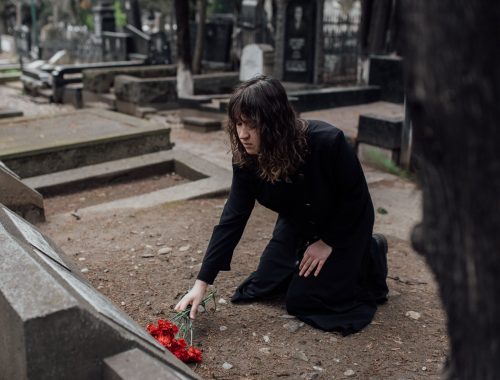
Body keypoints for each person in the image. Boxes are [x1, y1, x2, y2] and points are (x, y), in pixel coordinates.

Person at [175, 75, 388, 336]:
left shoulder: (328, 142)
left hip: (343, 225)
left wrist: (328, 242)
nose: (242, 134)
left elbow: (357, 201)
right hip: (297, 224)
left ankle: (371, 251)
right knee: (262, 285)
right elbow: (233, 217)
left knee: (303, 301)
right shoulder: (246, 159)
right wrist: (201, 284)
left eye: (251, 125)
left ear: (275, 123)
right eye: (238, 123)